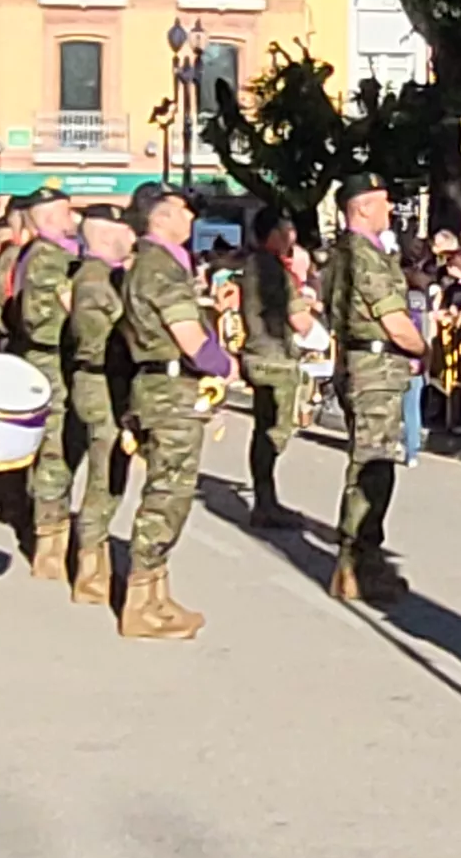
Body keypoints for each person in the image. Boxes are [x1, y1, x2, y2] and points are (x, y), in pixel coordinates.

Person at [115, 184, 229, 639]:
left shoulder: (149, 264)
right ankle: (140, 601)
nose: (191, 220)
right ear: (160, 217)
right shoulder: (160, 266)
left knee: (169, 492)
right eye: (184, 211)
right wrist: (221, 362)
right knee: (168, 496)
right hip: (169, 390)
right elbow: (187, 334)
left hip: (159, 386)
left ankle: (157, 594)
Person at [324, 177, 430, 601]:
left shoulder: (342, 253)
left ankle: (355, 560)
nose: (391, 210)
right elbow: (393, 320)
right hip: (376, 366)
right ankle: (359, 561)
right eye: (384, 203)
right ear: (362, 208)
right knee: (375, 465)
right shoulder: (363, 254)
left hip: (358, 361)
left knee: (364, 461)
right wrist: (424, 349)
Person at [0, 187, 86, 577]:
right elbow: (39, 319)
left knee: (56, 450)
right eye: (68, 212)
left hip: (46, 360)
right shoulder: (48, 259)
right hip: (51, 362)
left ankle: (49, 534)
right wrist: (79, 323)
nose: (74, 220)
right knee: (54, 452)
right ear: (50, 217)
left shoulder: (41, 253)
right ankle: (50, 546)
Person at [64, 204, 137, 605]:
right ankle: (90, 569)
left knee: (113, 474)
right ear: (109, 234)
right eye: (126, 229)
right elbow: (95, 343)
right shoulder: (94, 282)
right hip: (99, 384)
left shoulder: (110, 277)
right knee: (103, 476)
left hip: (109, 382)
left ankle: (93, 554)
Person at [241, 204, 314, 530]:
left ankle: (265, 498)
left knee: (263, 429)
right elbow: (299, 320)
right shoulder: (273, 269)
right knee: (275, 433)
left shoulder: (254, 266)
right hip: (274, 357)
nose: (292, 238)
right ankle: (266, 502)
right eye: (286, 231)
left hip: (258, 353)